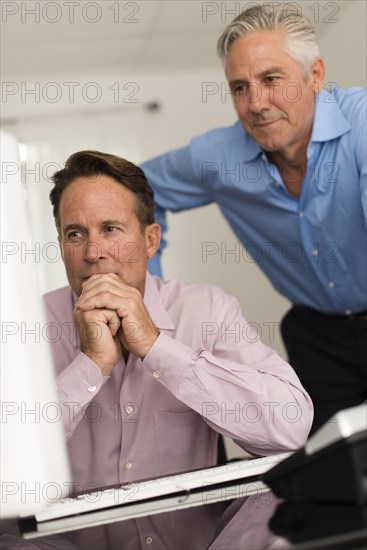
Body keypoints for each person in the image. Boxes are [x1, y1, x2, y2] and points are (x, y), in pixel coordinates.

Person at [40, 150, 311, 549]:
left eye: (111, 229)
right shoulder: (28, 326)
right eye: (75, 233)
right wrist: (91, 365)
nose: (93, 252)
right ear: (62, 245)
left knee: (287, 493)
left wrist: (156, 347)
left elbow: (291, 428)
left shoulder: (206, 309)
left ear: (151, 241)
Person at [141, 3, 367, 434]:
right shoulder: (217, 158)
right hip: (317, 336)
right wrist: (150, 300)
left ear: (314, 75)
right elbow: (137, 189)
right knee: (323, 478)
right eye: (240, 88)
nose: (256, 103)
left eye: (271, 80)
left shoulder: (362, 125)